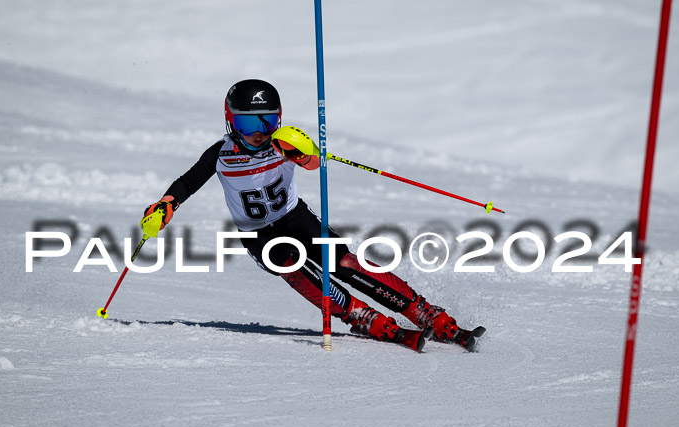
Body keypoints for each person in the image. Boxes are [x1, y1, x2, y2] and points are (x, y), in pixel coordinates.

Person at [144, 79, 484, 352]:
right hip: (258, 233)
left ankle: (423, 312)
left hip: (295, 217)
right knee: (289, 262)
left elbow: (312, 162)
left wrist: (305, 152)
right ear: (230, 122)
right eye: (248, 124)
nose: (259, 132)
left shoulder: (280, 142)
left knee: (343, 263)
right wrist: (165, 205)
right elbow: (187, 182)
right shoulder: (221, 154)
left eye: (268, 121)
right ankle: (360, 316)